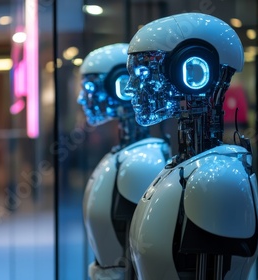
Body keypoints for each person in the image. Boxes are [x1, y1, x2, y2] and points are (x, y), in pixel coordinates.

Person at [124, 13, 258, 279]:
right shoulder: (188, 168)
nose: (131, 87)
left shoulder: (218, 179)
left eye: (142, 72)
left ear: (192, 71)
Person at [78, 43, 170, 280]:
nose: (81, 98)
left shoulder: (142, 161)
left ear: (120, 86)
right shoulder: (128, 156)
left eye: (89, 86)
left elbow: (143, 247)